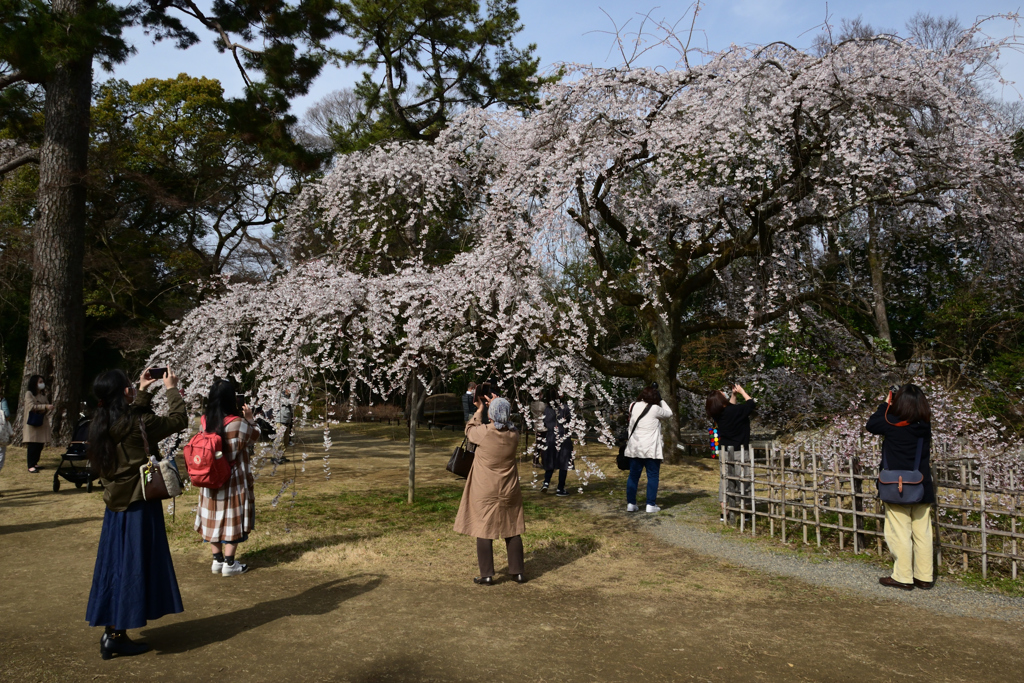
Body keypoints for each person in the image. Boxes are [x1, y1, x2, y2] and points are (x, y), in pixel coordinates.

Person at [85, 367, 187, 660]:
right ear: (123, 394)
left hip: (116, 506)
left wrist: (142, 389)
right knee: (133, 566)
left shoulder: (101, 421)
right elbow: (178, 420)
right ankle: (117, 634)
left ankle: (112, 630)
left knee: (115, 565)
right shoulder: (137, 420)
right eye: (129, 386)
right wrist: (170, 388)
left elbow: (132, 417)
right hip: (138, 503)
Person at [866, 384, 935, 591]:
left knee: (899, 531)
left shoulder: (891, 423)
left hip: (895, 485)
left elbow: (872, 425)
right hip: (921, 484)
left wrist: (885, 404)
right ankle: (924, 576)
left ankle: (903, 576)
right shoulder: (924, 424)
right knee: (922, 532)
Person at [454, 393, 526, 585]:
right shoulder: (514, 434)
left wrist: (479, 410)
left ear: (491, 414)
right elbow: (505, 421)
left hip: (485, 487)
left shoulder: (485, 432)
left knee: (483, 528)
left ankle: (487, 574)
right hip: (508, 487)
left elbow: (469, 430)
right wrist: (499, 403)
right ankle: (517, 572)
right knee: (512, 528)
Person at [195, 378, 261, 576]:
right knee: (232, 517)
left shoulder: (205, 421)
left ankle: (217, 560)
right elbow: (255, 435)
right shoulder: (238, 424)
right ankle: (230, 564)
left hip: (210, 477)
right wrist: (250, 418)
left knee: (212, 515)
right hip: (233, 478)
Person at [624, 384, 673, 513]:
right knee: (652, 476)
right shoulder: (655, 408)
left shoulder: (632, 405)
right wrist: (662, 399)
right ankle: (650, 505)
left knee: (633, 476)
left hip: (635, 448)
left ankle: (631, 503)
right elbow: (669, 413)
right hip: (650, 449)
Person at [541, 391, 573, 496]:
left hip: (550, 436)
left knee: (550, 460)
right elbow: (571, 422)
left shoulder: (546, 409)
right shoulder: (565, 408)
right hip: (563, 436)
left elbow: (543, 423)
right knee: (563, 463)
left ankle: (546, 482)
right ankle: (560, 488)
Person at [706, 384, 757, 450]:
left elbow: (730, 407)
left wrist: (734, 394)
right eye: (723, 395)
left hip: (724, 450)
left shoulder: (716, 413)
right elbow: (751, 404)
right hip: (738, 450)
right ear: (721, 399)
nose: (725, 394)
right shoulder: (735, 410)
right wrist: (742, 391)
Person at [23, 374, 53, 473]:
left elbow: (46, 406)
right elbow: (31, 406)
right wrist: (44, 406)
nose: (42, 384)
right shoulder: (29, 394)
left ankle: (35, 462)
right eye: (40, 382)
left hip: (41, 421)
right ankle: (30, 465)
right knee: (33, 445)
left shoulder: (43, 395)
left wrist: (47, 408)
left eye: (42, 382)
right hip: (32, 422)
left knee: (39, 445)